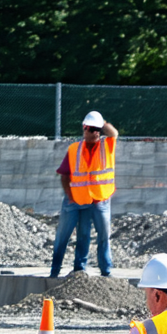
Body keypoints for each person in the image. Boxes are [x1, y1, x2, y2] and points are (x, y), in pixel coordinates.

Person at [50, 110, 118, 278]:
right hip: (76, 201)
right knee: (67, 237)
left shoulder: (106, 145)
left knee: (103, 236)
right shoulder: (74, 149)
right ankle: (57, 271)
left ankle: (105, 272)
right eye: (91, 128)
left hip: (100, 200)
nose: (95, 132)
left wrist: (101, 123)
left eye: (97, 129)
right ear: (84, 129)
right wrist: (70, 196)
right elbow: (64, 174)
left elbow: (114, 133)